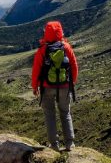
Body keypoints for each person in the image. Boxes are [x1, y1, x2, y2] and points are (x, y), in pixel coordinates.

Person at [31, 20, 78, 152]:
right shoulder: (66, 47)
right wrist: (72, 82)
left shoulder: (42, 50)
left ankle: (54, 145)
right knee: (65, 112)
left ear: (46, 33)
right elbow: (74, 65)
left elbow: (36, 70)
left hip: (46, 87)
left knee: (50, 115)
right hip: (64, 86)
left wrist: (35, 87)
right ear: (60, 31)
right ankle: (70, 143)